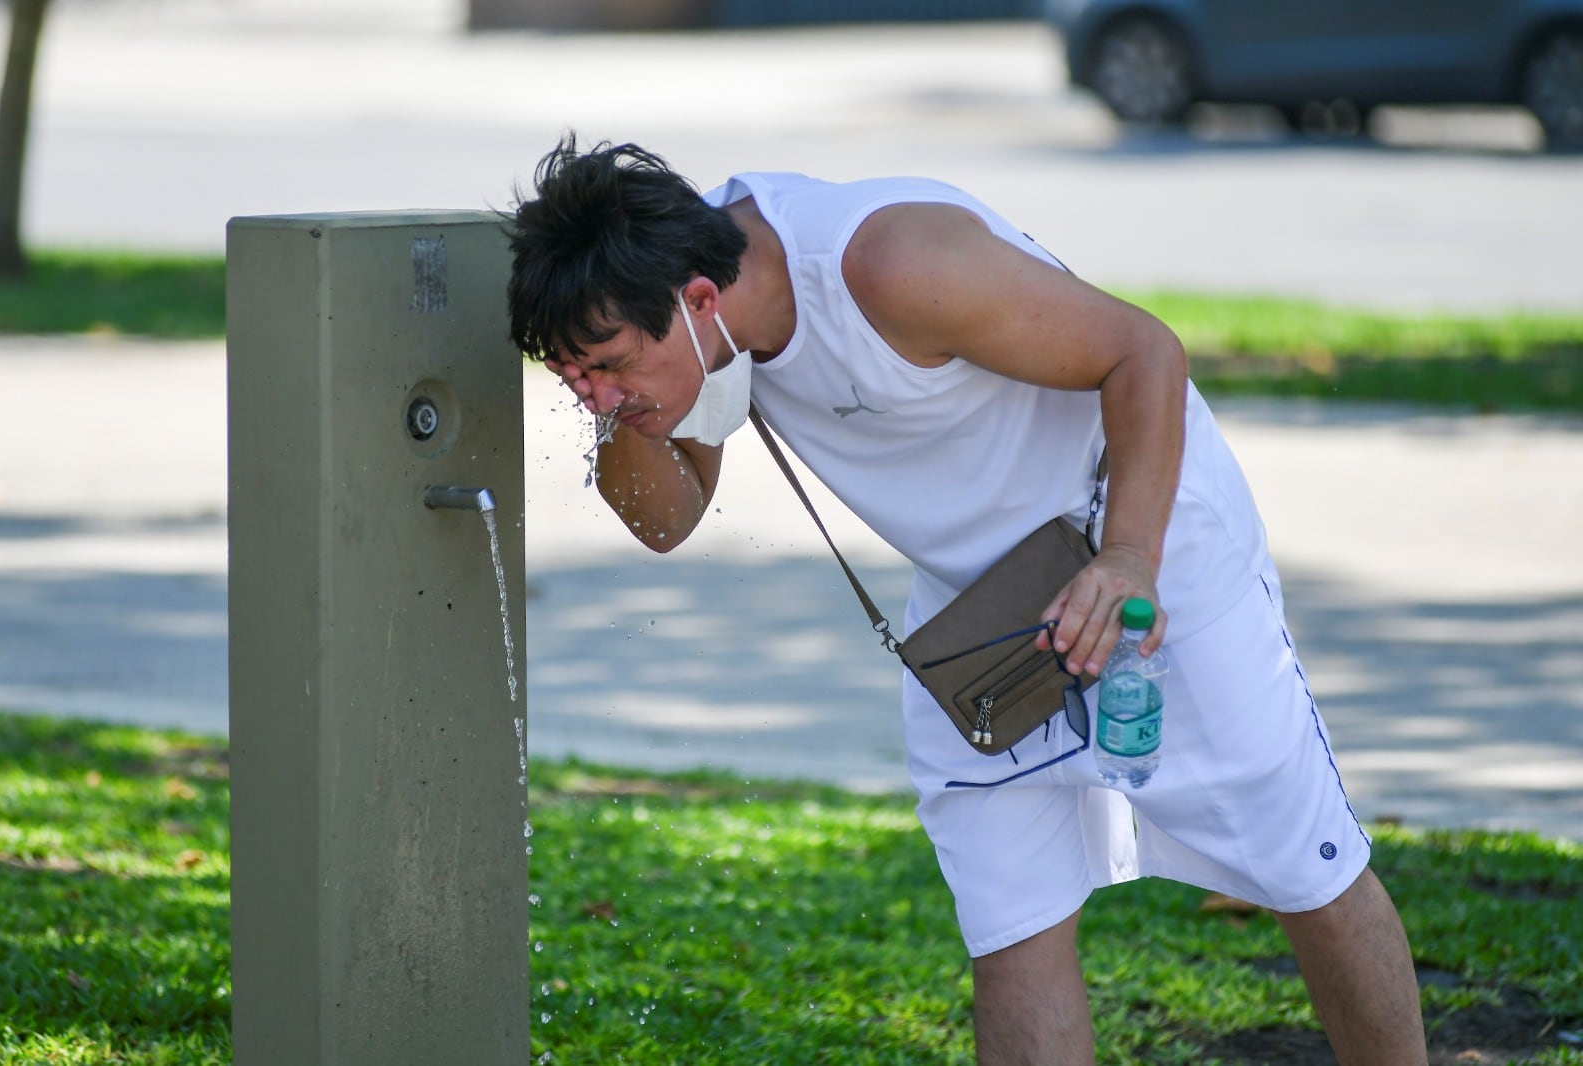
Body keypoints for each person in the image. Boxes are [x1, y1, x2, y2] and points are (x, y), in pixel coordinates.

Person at [504, 134, 1428, 1065]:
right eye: (576, 376)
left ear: (698, 303)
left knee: (1303, 866)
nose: (594, 394)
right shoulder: (694, 309)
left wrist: (1130, 558)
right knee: (1010, 920)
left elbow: (1144, 352)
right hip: (979, 605)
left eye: (609, 365)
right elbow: (664, 519)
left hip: (1142, 535)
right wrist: (616, 402)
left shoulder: (893, 264)